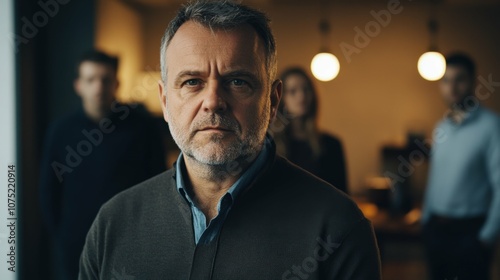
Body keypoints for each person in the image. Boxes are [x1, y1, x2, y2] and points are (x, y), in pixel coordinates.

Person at [79, 2, 381, 279]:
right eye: (192, 82)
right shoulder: (112, 224)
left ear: (273, 102)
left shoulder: (340, 229)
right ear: (165, 101)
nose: (213, 101)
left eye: (237, 81)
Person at [39, 50, 166, 280]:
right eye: (90, 79)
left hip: (129, 240)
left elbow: (158, 181)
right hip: (74, 243)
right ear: (78, 85)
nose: (98, 87)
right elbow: (49, 189)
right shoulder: (61, 131)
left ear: (117, 83)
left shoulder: (142, 128)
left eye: (105, 79)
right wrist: (62, 235)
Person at [422, 53, 500, 280]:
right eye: (446, 80)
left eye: (459, 79)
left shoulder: (492, 127)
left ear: (474, 81)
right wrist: (426, 221)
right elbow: (435, 178)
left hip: (471, 234)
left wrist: (487, 236)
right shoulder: (441, 127)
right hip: (436, 231)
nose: (452, 87)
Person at [273, 67, 348, 193]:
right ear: (281, 97)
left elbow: (343, 195)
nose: (301, 96)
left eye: (306, 89)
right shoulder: (270, 146)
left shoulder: (331, 144)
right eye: (293, 91)